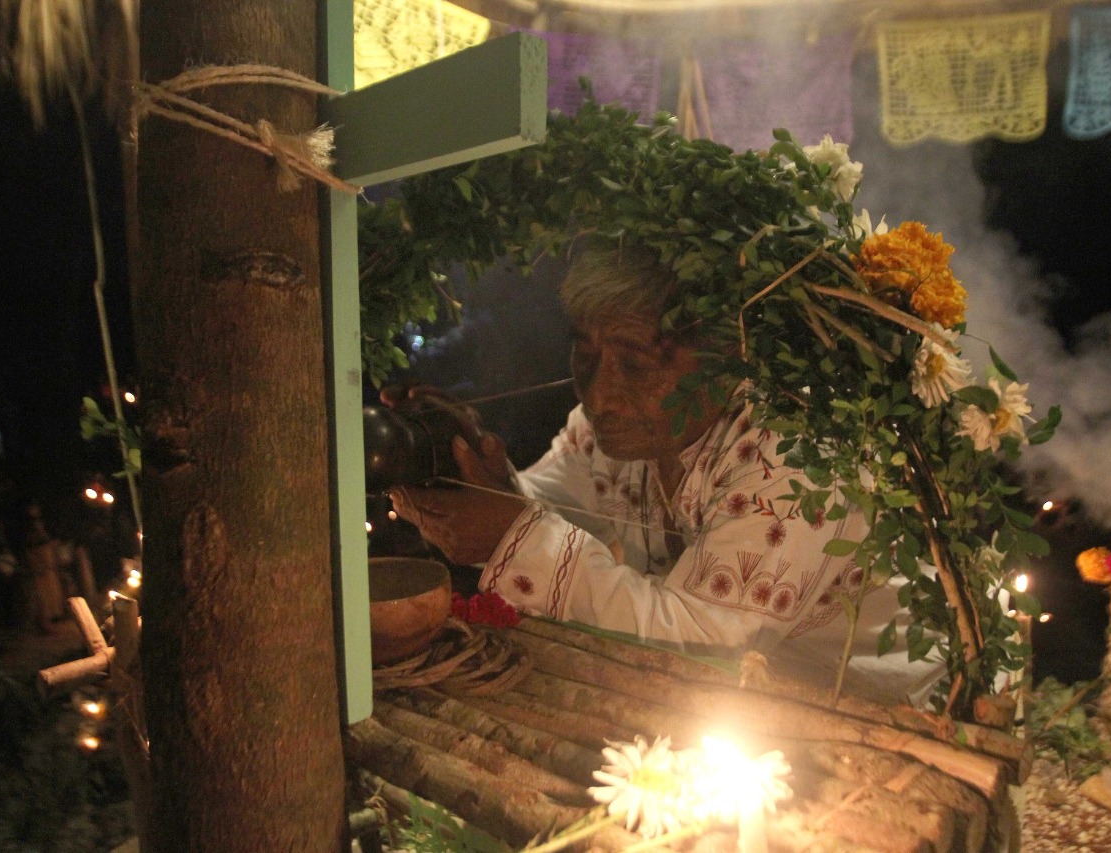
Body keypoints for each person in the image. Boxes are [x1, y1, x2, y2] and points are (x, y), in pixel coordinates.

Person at [391, 244, 943, 705]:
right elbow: (542, 508)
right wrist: (460, 460)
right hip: (743, 716)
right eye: (586, 355)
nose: (601, 394)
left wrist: (507, 533)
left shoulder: (794, 459)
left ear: (727, 355)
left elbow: (698, 641)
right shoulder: (608, 428)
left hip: (876, 711)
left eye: (634, 362)